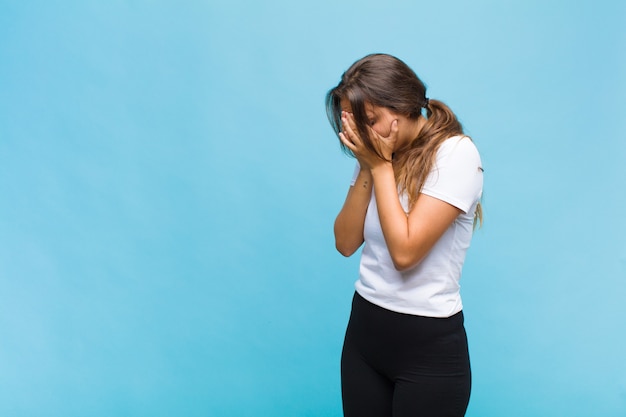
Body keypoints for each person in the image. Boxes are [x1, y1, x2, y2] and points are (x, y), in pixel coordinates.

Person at [326, 53, 483, 417]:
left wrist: (380, 166)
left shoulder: (456, 153)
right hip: (364, 337)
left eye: (370, 121)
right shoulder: (379, 152)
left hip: (428, 353)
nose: (360, 134)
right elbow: (346, 242)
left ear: (400, 108)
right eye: (353, 124)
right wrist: (369, 164)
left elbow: (406, 252)